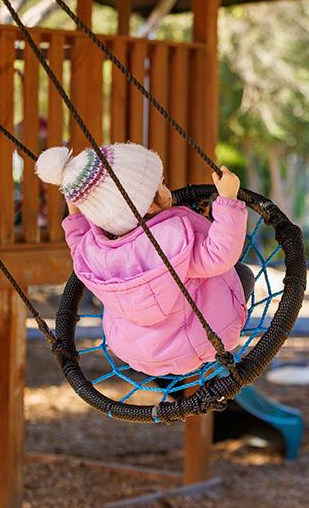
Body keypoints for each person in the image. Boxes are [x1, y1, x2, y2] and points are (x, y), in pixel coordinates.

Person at [35, 142, 254, 376]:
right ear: (149, 205)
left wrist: (75, 208)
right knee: (242, 274)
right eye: (161, 184)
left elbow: (77, 239)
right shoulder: (171, 240)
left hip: (133, 352)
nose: (166, 188)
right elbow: (220, 253)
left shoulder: (92, 251)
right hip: (200, 342)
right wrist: (228, 200)